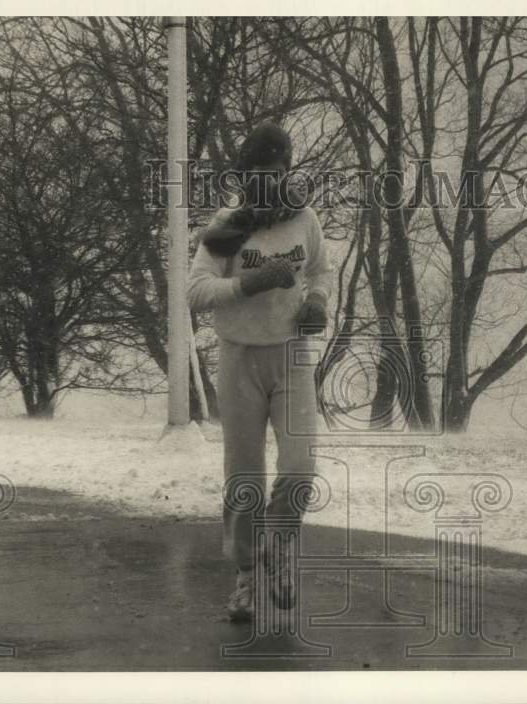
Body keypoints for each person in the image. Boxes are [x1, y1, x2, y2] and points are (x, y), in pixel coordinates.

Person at [187, 123, 332, 622]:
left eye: (278, 172)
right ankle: (247, 573)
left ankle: (282, 548)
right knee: (244, 477)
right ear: (245, 176)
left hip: (291, 356)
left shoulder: (303, 218)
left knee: (298, 469)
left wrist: (316, 300)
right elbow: (196, 291)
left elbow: (320, 270)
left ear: (287, 172)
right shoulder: (228, 227)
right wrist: (246, 285)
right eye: (260, 174)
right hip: (240, 358)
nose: (270, 183)